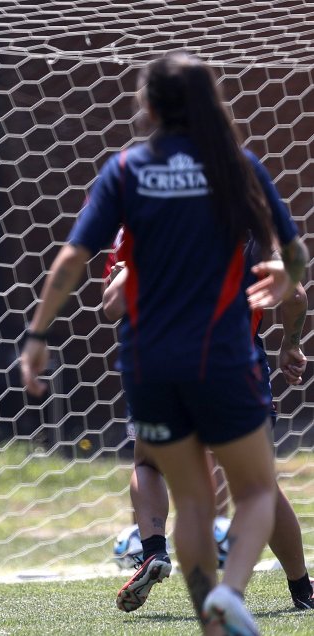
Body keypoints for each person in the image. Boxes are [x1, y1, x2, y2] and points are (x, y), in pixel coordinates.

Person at [18, 52, 307, 635]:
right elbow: (294, 259)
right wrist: (287, 276)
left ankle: (210, 619)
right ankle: (231, 592)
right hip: (224, 356)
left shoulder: (126, 169)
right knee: (255, 490)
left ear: (147, 105)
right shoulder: (237, 167)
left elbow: (74, 257)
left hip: (149, 365)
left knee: (192, 501)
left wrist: (38, 334)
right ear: (212, 99)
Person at [102, 231, 314, 613]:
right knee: (259, 485)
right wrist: (291, 343)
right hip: (235, 366)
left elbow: (113, 305)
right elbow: (296, 295)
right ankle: (302, 588)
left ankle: (153, 549)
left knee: (149, 463)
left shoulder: (156, 222)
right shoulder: (258, 230)